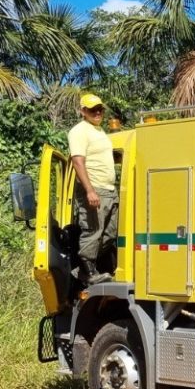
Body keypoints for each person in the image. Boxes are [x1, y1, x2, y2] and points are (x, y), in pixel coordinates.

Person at [67, 92, 118, 285]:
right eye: (92, 109)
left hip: (109, 190)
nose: (97, 112)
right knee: (93, 231)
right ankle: (88, 273)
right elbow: (77, 162)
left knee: (110, 233)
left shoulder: (99, 131)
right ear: (83, 111)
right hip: (95, 188)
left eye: (100, 109)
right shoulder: (79, 131)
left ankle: (82, 269)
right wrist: (89, 190)